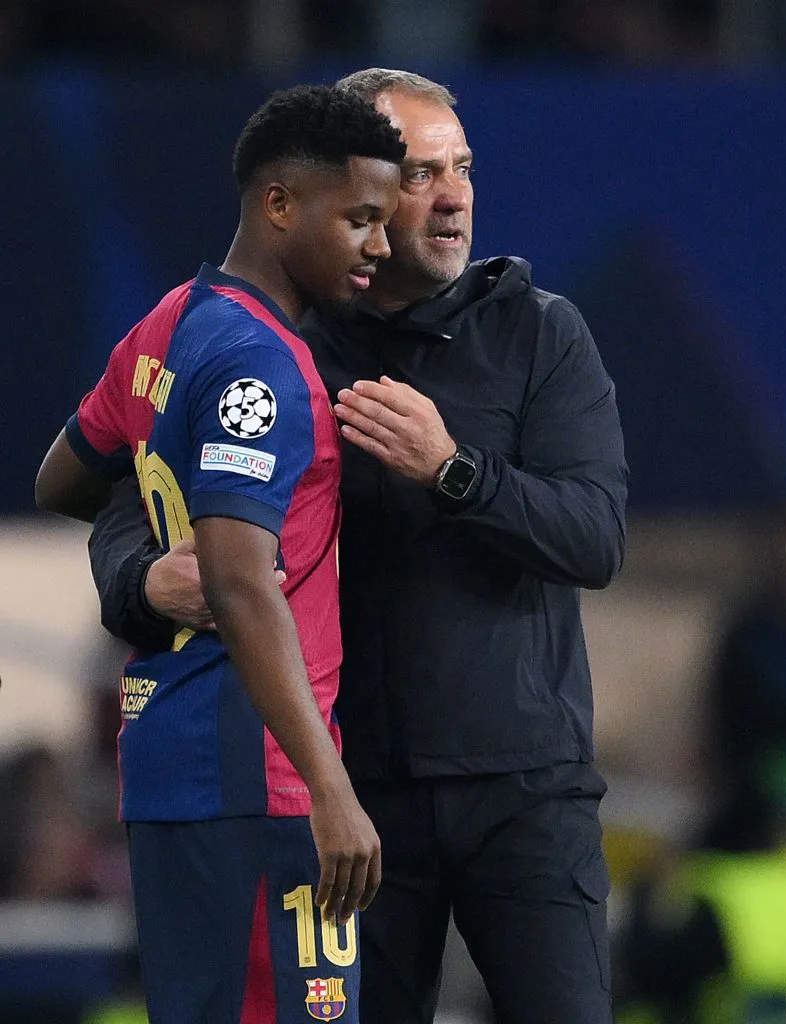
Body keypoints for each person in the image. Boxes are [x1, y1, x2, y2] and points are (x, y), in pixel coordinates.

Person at [87, 69, 628, 1024]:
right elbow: (130, 494)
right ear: (359, 187)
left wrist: (454, 470)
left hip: (523, 792)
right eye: (421, 175)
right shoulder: (281, 338)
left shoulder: (541, 333)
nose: (454, 195)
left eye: (463, 168)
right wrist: (140, 580)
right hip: (351, 792)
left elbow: (592, 539)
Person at [35, 84, 407, 1024]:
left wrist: (145, 558)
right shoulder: (261, 368)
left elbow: (63, 481)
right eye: (360, 218)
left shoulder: (170, 322)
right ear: (279, 203)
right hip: (259, 777)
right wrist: (331, 790)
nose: (378, 245)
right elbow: (242, 584)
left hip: (170, 765)